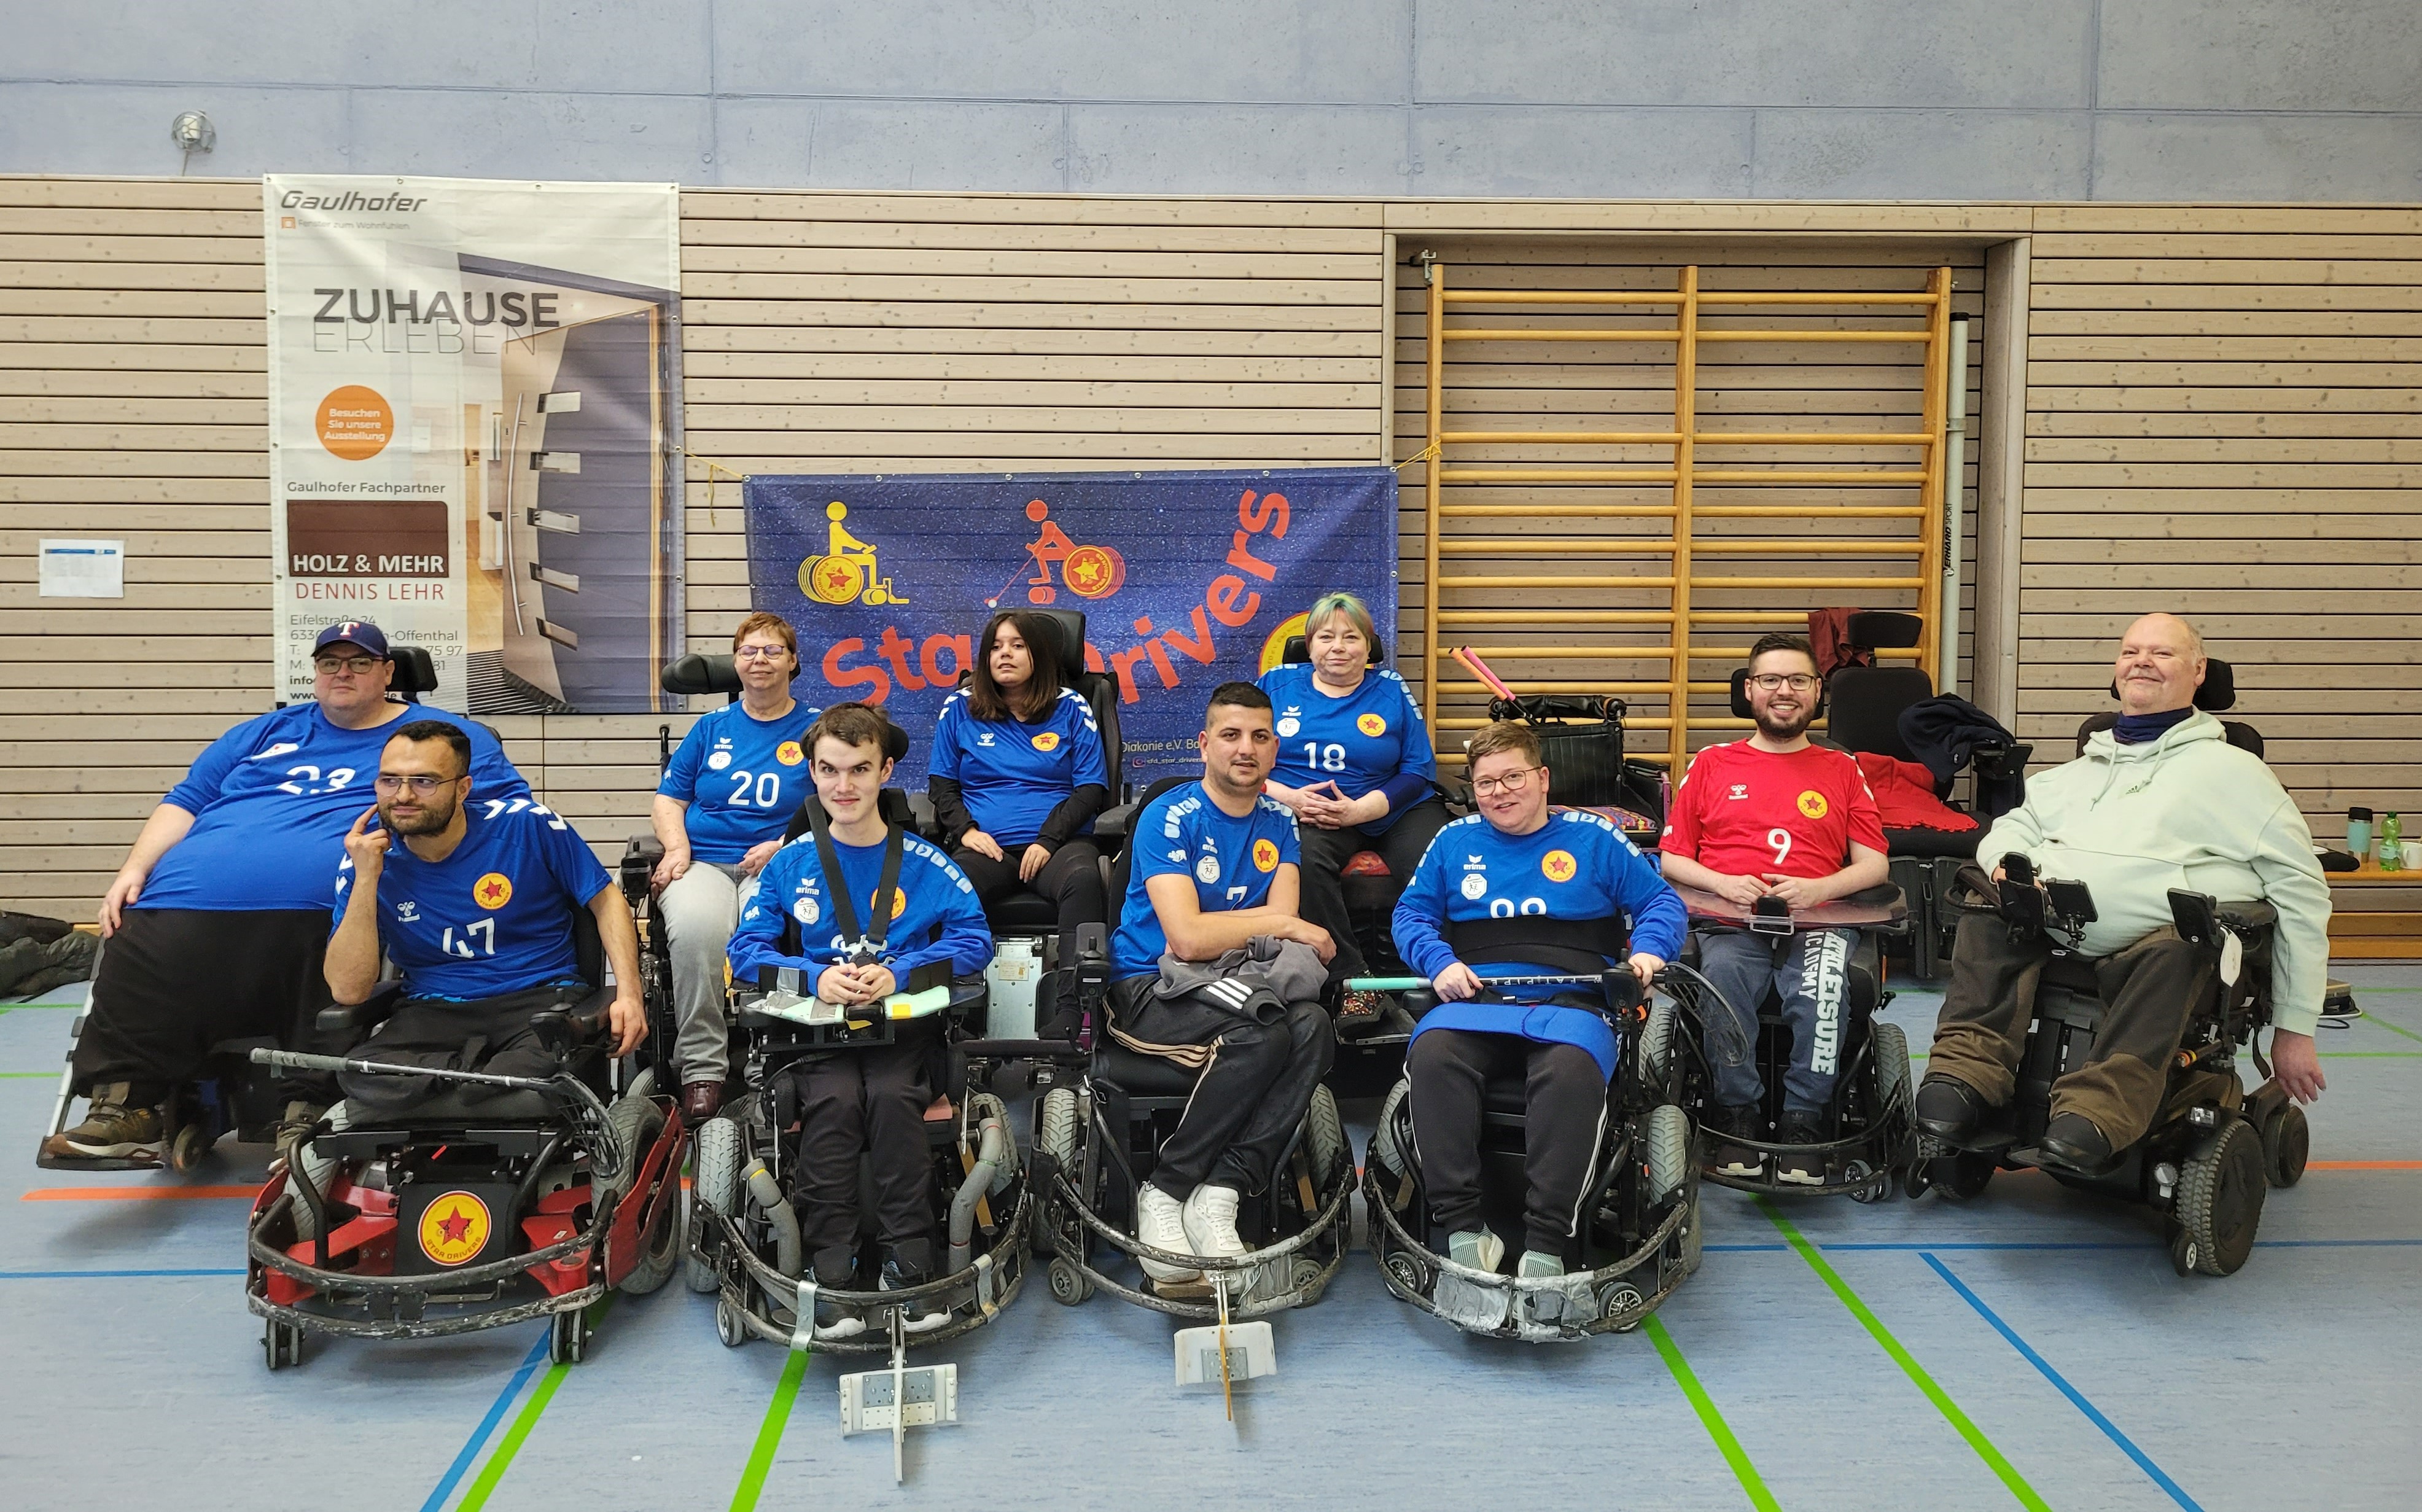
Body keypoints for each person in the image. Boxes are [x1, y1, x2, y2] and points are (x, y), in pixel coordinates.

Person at [41, 622, 530, 1164]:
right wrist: (133, 870)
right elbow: (187, 800)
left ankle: (307, 1105)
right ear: (315, 672)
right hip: (184, 898)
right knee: (135, 937)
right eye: (330, 663)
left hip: (326, 903)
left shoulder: (439, 738)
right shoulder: (260, 734)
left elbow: (506, 810)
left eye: (360, 663)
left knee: (334, 948)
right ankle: (127, 1106)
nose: (342, 673)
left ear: (388, 672)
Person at [1914, 614, 2332, 1171]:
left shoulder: (2240, 776)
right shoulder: (2078, 771)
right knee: (1986, 905)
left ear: (2198, 671)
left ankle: (2098, 1110)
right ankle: (1966, 1072)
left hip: (2159, 948)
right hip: (2053, 927)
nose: (2142, 662)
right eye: (2131, 651)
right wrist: (2005, 868)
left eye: (2162, 653)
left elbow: (2303, 894)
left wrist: (2295, 1029)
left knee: (2182, 945)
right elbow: (2011, 828)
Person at [1392, 719, 1686, 1284]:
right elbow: (1411, 915)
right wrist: (1439, 962)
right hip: (1477, 998)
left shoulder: (1595, 839)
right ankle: (1463, 1231)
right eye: (1485, 783)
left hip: (1575, 1001)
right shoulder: (1453, 841)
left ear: (1543, 778)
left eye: (1513, 777)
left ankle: (1548, 1244)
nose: (1499, 792)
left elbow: (1661, 904)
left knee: (1570, 1070)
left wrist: (1648, 954)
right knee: (1433, 1054)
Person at [728, 703, 992, 1327]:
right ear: (813, 773)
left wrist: (900, 971)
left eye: (859, 769)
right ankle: (832, 1265)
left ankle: (910, 1259)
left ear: (885, 771)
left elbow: (975, 940)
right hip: (816, 1039)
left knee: (895, 1097)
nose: (843, 785)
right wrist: (814, 976)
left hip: (904, 1034)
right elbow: (746, 951)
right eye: (829, 770)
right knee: (836, 1101)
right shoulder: (789, 864)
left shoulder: (927, 862)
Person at [1108, 682, 1337, 1286]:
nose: (1246, 748)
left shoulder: (1280, 821)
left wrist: (1271, 927)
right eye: (1231, 735)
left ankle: (1221, 1191)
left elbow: (1278, 937)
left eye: (1260, 736)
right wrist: (1279, 923)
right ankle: (1165, 1191)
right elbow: (1186, 939)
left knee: (1313, 1025)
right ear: (1204, 744)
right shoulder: (1169, 815)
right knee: (1262, 1028)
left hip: (1237, 981)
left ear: (1274, 748)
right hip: (1151, 988)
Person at [1657, 633, 1890, 1182]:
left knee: (1820, 987)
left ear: (1817, 691)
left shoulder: (1842, 768)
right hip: (1731, 921)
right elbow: (1672, 858)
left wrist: (1820, 888)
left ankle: (1803, 1120)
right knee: (1723, 979)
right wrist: (1723, 882)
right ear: (1749, 690)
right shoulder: (1712, 763)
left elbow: (1875, 864)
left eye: (1798, 680)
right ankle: (1736, 1113)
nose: (1784, 691)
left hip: (1818, 919)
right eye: (1770, 680)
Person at [325, 721, 646, 1120]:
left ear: (463, 789)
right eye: (390, 781)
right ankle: (478, 1082)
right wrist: (367, 878)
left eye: (425, 782)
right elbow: (349, 991)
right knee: (358, 1073)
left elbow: (608, 901)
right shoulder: (365, 861)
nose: (403, 796)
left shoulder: (527, 825)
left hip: (537, 1001)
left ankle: (453, 1083)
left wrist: (630, 995)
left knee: (542, 1067)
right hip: (431, 1012)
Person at [650, 612, 821, 1122]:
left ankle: (770, 1060)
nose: (759, 660)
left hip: (779, 863)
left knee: (764, 935)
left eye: (772, 650)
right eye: (749, 651)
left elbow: (841, 804)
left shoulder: (817, 729)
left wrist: (784, 845)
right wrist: (676, 849)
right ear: (736, 662)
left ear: (793, 661)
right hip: (703, 859)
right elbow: (669, 800)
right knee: (696, 931)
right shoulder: (710, 728)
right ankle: (702, 1069)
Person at [1257, 592, 1451, 1033]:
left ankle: (1447, 967)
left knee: (1441, 858)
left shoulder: (1391, 688)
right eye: (1326, 637)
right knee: (1302, 862)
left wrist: (1361, 809)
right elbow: (1243, 759)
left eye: (1351, 637)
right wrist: (1289, 798)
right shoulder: (1275, 685)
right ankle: (1353, 982)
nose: (1338, 647)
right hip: (1312, 811)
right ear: (1309, 645)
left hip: (1393, 807)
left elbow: (1418, 769)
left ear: (1369, 646)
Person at [927, 610, 1111, 937]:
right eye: (996, 647)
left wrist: (1047, 841)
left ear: (1037, 654)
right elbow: (942, 785)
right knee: (948, 888)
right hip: (985, 848)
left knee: (1083, 879)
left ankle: (1077, 972)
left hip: (1061, 847)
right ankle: (955, 971)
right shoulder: (959, 706)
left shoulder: (1072, 706)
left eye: (1017, 646)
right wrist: (967, 832)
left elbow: (1090, 789)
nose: (1005, 654)